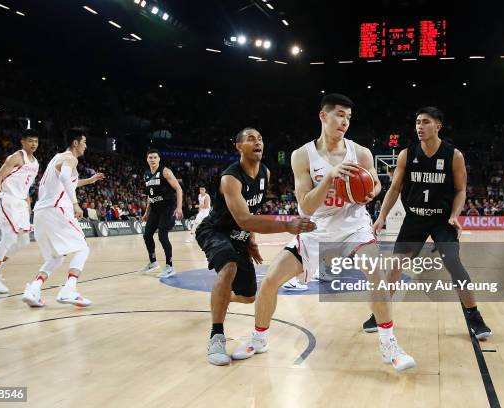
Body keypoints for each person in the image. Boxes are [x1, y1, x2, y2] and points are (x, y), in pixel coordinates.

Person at [231, 94, 416, 371]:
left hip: (353, 227)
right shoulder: (302, 155)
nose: (345, 122)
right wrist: (330, 177)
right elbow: (305, 206)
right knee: (269, 282)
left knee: (376, 273)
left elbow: (376, 184)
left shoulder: (361, 153)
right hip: (315, 230)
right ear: (323, 116)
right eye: (340, 115)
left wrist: (368, 194)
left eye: (349, 117)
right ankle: (259, 339)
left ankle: (389, 345)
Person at [362, 107, 492, 339]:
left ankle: (474, 316)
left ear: (438, 126)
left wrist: (454, 215)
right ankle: (379, 314)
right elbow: (394, 188)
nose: (419, 127)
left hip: (442, 220)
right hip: (415, 219)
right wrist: (381, 216)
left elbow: (461, 190)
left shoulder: (454, 155)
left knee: (454, 264)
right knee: (395, 268)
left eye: (425, 122)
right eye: (417, 122)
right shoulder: (406, 154)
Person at [195, 127, 316, 366]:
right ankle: (216, 336)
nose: (258, 142)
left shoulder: (265, 173)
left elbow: (252, 212)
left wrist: (250, 239)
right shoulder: (230, 178)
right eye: (251, 139)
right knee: (228, 267)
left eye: (260, 138)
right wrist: (286, 223)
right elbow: (244, 219)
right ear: (239, 146)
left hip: (240, 236)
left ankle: (218, 298)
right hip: (215, 231)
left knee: (249, 296)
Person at [21, 129, 104, 307]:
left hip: (41, 213)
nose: (86, 146)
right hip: (56, 210)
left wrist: (89, 181)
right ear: (75, 143)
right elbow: (66, 177)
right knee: (82, 248)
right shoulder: (70, 157)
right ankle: (69, 289)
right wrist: (75, 204)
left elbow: (67, 180)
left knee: (55, 257)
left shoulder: (56, 158)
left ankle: (33, 289)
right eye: (84, 142)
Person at [0, 129, 39, 294]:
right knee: (10, 237)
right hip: (7, 200)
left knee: (24, 242)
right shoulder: (16, 157)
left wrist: (27, 203)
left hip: (21, 203)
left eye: (36, 141)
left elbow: (26, 186)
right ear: (22, 141)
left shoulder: (35, 163)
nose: (33, 144)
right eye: (30, 141)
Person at [139, 149, 183, 278]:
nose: (152, 159)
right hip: (155, 209)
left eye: (154, 157)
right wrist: (147, 212)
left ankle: (170, 266)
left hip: (167, 208)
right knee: (147, 235)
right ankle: (153, 262)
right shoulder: (146, 174)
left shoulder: (165, 171)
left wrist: (179, 207)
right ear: (147, 159)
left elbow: (178, 189)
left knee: (162, 235)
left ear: (159, 159)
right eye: (150, 157)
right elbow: (149, 195)